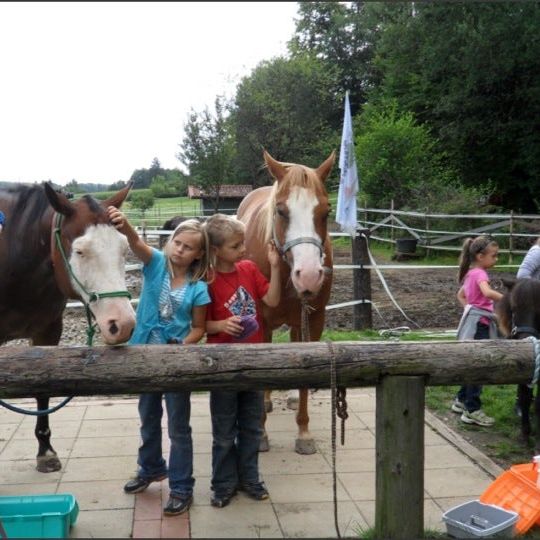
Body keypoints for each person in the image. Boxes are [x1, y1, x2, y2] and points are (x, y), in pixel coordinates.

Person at [108, 206, 211, 517]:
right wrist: (124, 224)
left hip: (174, 364)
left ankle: (181, 487)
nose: (179, 249)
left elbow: (199, 328)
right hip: (144, 358)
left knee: (179, 427)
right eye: (177, 242)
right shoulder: (155, 265)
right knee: (148, 417)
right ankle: (151, 468)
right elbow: (136, 243)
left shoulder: (199, 289)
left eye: (188, 247)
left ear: (198, 254)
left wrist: (184, 344)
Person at [204, 213, 281, 508]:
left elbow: (271, 301)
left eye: (243, 244)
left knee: (251, 426)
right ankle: (223, 484)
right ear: (215, 251)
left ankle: (250, 478)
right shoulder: (207, 281)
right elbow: (198, 327)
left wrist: (275, 268)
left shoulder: (248, 269)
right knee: (224, 432)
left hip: (254, 362)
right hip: (223, 365)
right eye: (236, 246)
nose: (243, 251)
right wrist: (221, 326)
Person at [451, 235, 503, 427]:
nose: (496, 259)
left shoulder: (471, 272)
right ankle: (472, 409)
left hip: (474, 321)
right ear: (480, 256)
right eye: (494, 256)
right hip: (480, 325)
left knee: (470, 363)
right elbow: (488, 293)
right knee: (479, 366)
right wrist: (509, 301)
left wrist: (469, 309)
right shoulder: (480, 273)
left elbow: (461, 295)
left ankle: (460, 399)